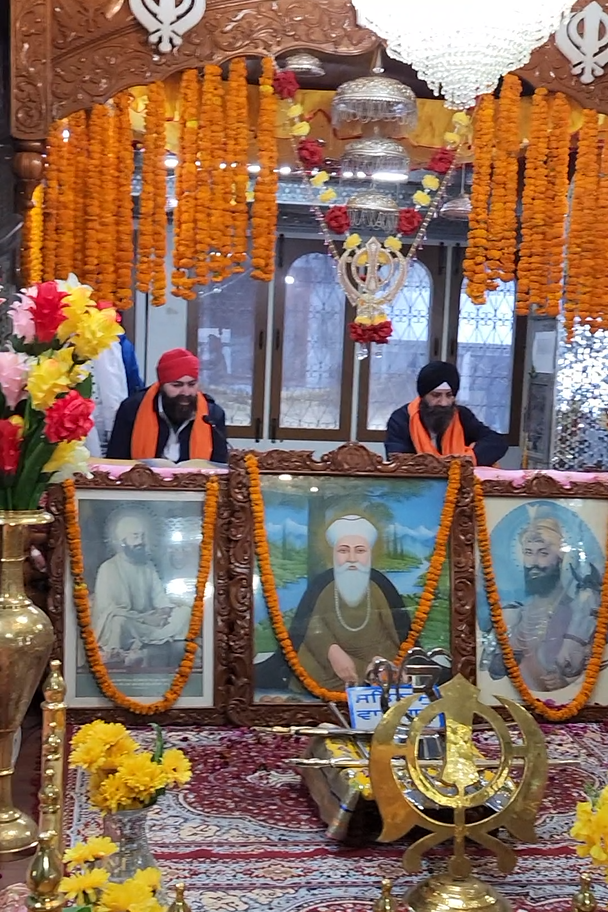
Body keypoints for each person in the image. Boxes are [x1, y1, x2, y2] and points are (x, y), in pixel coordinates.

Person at [256, 515, 412, 692]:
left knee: (385, 671)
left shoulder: (380, 585)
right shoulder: (323, 584)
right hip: (326, 665)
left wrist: (383, 661)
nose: (351, 558)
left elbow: (399, 631)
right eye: (343, 551)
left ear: (370, 554)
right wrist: (332, 651)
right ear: (333, 554)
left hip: (378, 659)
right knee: (310, 671)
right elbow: (309, 625)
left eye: (360, 551)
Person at [486, 514, 600, 692]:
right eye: (528, 553)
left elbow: (592, 673)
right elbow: (489, 672)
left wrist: (565, 683)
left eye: (543, 553)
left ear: (560, 558)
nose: (533, 563)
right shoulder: (513, 614)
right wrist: (500, 663)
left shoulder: (580, 614)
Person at [91, 513, 191, 667]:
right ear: (123, 540)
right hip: (128, 622)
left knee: (185, 612)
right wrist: (144, 619)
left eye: (143, 537)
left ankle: (155, 648)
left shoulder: (147, 566)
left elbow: (160, 597)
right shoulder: (108, 568)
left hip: (150, 622)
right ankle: (126, 653)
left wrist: (163, 612)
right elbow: (108, 609)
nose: (141, 542)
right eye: (135, 537)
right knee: (118, 622)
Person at [106, 347, 228, 463]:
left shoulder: (212, 415)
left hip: (195, 483)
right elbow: (116, 461)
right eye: (177, 385)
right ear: (162, 385)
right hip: (142, 482)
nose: (185, 392)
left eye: (191, 385)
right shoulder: (132, 409)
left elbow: (220, 467)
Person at [385, 361, 508, 466]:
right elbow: (398, 459)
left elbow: (496, 442)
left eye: (449, 395)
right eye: (436, 395)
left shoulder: (461, 415)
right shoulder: (401, 419)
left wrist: (466, 459)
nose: (444, 403)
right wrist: (442, 465)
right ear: (423, 396)